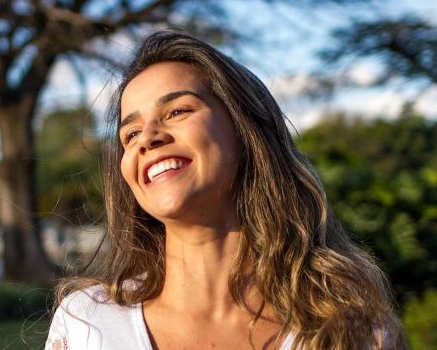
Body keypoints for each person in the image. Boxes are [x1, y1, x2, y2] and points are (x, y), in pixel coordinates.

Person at [45, 30, 406, 350]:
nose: (148, 139)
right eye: (131, 134)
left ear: (244, 130)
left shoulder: (344, 330)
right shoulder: (86, 326)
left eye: (177, 111)